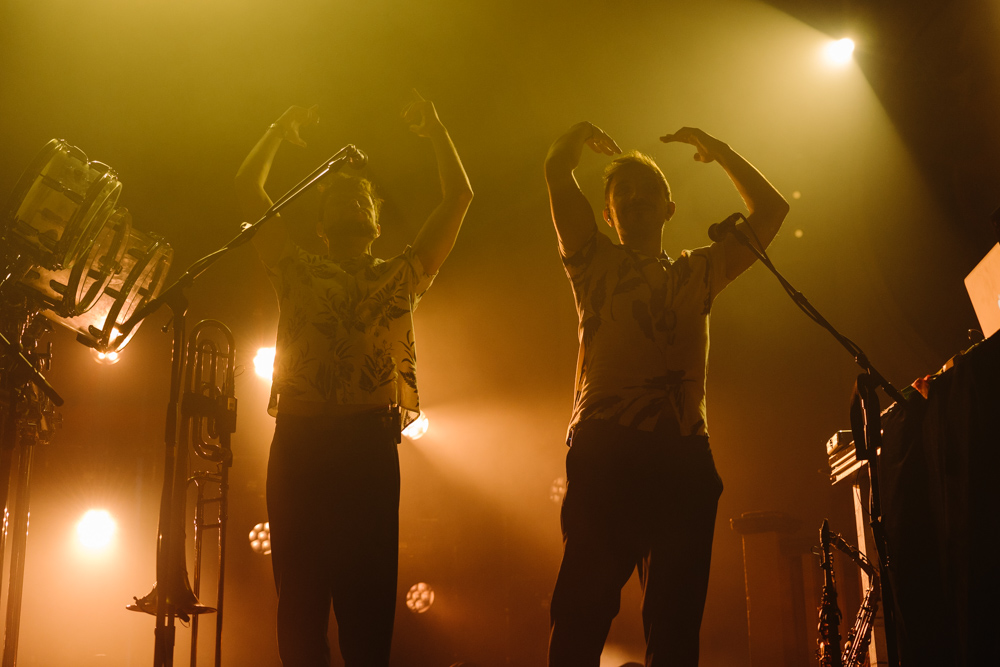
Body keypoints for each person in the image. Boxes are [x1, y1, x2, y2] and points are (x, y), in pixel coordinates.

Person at [235, 93, 473, 667]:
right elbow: (247, 189)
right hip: (301, 444)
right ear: (319, 227)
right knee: (300, 608)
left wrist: (437, 127)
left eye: (359, 198)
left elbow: (459, 197)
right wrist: (277, 128)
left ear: (375, 222)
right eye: (336, 199)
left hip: (367, 445)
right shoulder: (294, 267)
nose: (349, 203)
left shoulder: (402, 275)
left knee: (367, 612)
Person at [543, 121, 788, 667]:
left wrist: (721, 150)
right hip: (607, 448)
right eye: (621, 193)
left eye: (646, 189)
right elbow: (557, 174)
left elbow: (772, 212)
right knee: (582, 609)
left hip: (683, 456)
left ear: (669, 207)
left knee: (675, 626)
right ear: (607, 214)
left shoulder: (698, 270)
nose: (633, 197)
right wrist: (575, 135)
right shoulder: (592, 259)